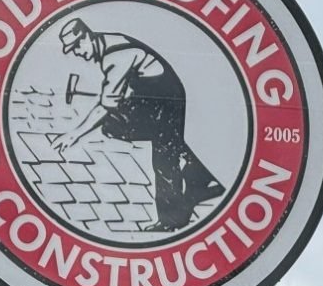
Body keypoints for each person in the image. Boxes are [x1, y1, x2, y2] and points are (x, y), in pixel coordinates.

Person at [53, 18, 224, 231]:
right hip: (153, 97)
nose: (77, 53)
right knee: (114, 126)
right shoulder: (109, 41)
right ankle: (198, 175)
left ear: (87, 37)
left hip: (166, 100)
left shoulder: (115, 56)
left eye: (77, 47)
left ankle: (172, 221)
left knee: (163, 159)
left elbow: (105, 106)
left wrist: (74, 134)